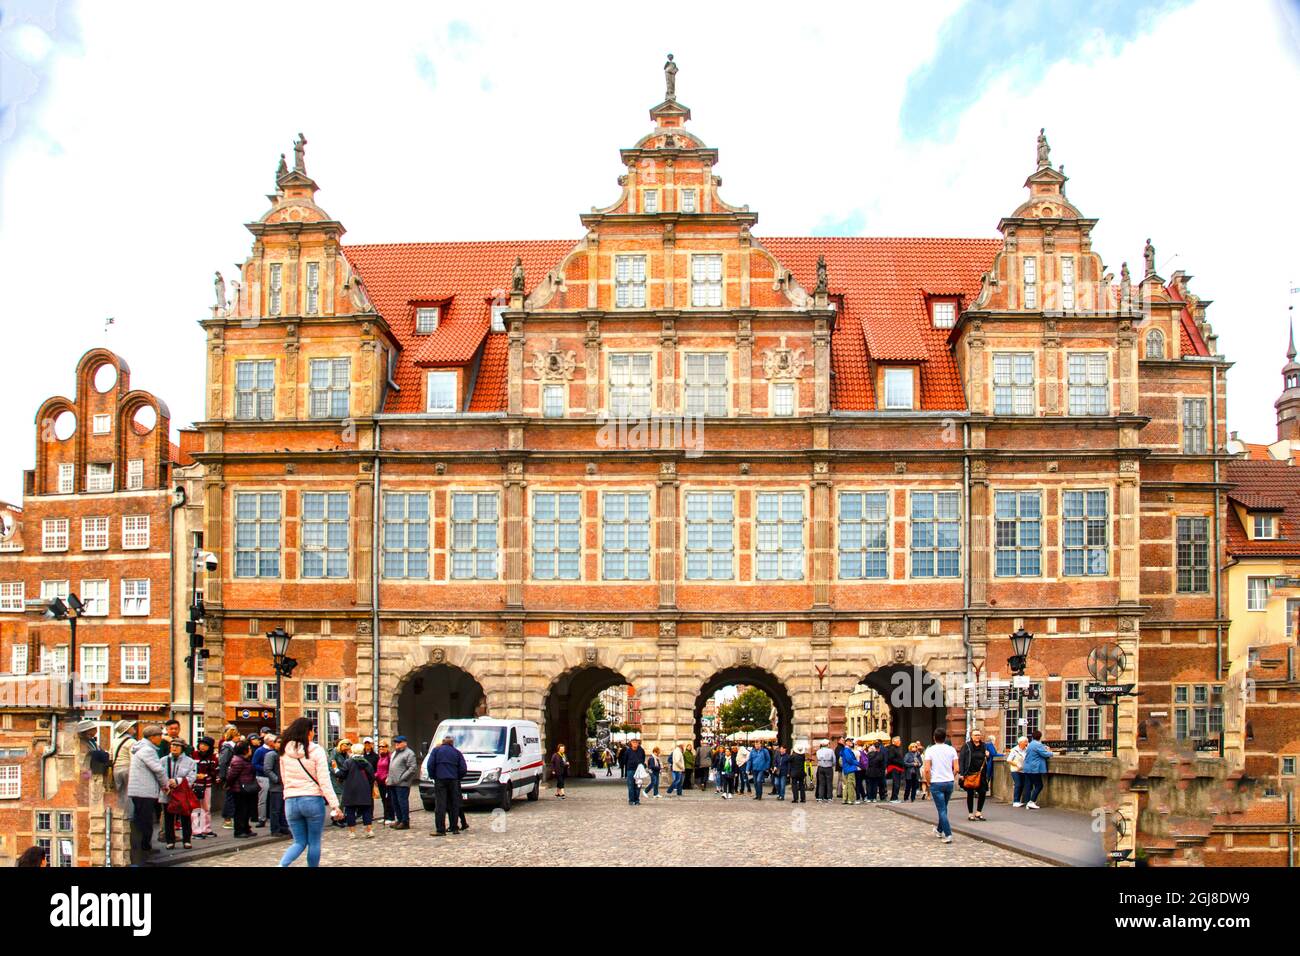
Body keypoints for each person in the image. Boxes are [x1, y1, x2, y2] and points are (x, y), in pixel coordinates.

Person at [278, 716, 344, 867]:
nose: (314, 733)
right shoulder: (316, 750)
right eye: (313, 730)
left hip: (291, 800)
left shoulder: (284, 751)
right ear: (308, 732)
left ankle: (282, 865)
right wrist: (335, 805)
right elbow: (324, 781)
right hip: (312, 799)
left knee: (299, 842)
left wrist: (287, 796)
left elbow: (284, 779)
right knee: (314, 841)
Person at [127, 724, 169, 864]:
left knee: (142, 820)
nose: (161, 738)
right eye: (159, 736)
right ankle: (144, 849)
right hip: (144, 790)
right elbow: (159, 770)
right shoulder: (147, 750)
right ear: (152, 737)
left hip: (139, 790)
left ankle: (143, 848)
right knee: (145, 822)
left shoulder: (142, 748)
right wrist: (165, 785)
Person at [922, 728, 960, 844]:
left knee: (942, 810)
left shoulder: (930, 750)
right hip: (949, 782)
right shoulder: (951, 749)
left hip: (936, 782)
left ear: (934, 738)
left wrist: (928, 782)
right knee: (944, 808)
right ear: (945, 737)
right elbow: (957, 768)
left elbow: (927, 769)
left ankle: (948, 834)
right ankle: (939, 830)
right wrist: (951, 777)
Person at [427, 733, 468, 834]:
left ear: (443, 741)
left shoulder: (436, 751)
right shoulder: (457, 752)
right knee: (454, 804)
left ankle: (440, 829)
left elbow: (430, 765)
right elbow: (463, 769)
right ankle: (454, 827)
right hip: (453, 780)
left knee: (440, 805)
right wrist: (457, 777)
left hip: (440, 780)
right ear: (452, 742)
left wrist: (433, 776)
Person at [162, 737, 197, 849]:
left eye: (177, 746)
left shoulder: (190, 761)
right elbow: (159, 774)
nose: (174, 748)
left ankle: (186, 840)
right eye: (172, 745)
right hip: (167, 792)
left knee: (185, 816)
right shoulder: (163, 760)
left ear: (182, 748)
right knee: (168, 817)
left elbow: (192, 777)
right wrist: (166, 784)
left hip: (182, 792)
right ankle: (170, 840)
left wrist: (177, 781)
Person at [337, 741, 376, 838]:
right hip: (364, 789)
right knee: (366, 810)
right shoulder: (366, 763)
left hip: (351, 789)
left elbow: (342, 774)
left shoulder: (348, 762)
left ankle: (352, 832)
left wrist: (335, 769)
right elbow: (371, 776)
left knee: (350, 811)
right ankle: (369, 830)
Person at [226, 740, 258, 838]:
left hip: (247, 788)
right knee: (241, 810)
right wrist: (229, 785)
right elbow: (231, 776)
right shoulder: (238, 760)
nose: (250, 750)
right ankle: (239, 830)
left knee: (247, 810)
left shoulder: (245, 759)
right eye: (248, 748)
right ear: (244, 750)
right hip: (240, 789)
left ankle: (246, 828)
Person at [958, 729, 990, 821]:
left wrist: (987, 756)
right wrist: (962, 773)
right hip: (970, 773)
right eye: (976, 735)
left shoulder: (984, 746)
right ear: (972, 736)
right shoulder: (967, 746)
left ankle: (979, 812)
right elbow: (962, 760)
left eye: (979, 735)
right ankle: (970, 813)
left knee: (983, 792)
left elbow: (987, 758)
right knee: (970, 793)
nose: (977, 737)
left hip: (981, 773)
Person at [386, 736, 417, 828]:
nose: (397, 744)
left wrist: (402, 777)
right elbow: (391, 767)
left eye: (399, 743)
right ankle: (399, 819)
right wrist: (389, 777)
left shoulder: (409, 753)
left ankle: (405, 821)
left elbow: (412, 768)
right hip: (393, 782)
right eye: (396, 743)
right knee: (395, 802)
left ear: (404, 743)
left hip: (402, 783)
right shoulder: (395, 752)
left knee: (402, 802)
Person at [190, 736, 218, 838]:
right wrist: (195, 775)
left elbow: (215, 771)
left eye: (205, 745)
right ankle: (196, 831)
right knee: (195, 808)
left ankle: (206, 829)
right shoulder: (193, 755)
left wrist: (207, 775)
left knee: (206, 808)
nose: (202, 747)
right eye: (201, 744)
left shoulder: (213, 757)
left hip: (207, 784)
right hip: (195, 784)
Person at [1022, 731, 1055, 809]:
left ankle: (1028, 802)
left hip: (1027, 767)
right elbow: (1045, 754)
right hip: (1034, 768)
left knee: (1028, 785)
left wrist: (1044, 747)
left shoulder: (1030, 744)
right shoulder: (1038, 745)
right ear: (1040, 737)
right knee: (1039, 785)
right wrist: (1052, 753)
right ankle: (1032, 801)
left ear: (1032, 737)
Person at [262, 734, 287, 836]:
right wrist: (276, 779)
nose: (280, 744)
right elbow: (267, 769)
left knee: (283, 810)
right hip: (276, 787)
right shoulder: (271, 755)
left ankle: (283, 827)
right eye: (278, 742)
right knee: (276, 809)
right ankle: (275, 829)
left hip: (285, 786)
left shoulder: (285, 755)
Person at [217, 726, 239, 829]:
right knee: (229, 797)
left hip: (234, 775)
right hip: (229, 776)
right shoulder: (227, 747)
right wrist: (223, 777)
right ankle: (227, 819)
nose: (238, 737)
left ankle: (232, 818)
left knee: (233, 798)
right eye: (237, 735)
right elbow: (223, 762)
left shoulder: (233, 747)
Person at [252, 732, 273, 829]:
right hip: (263, 777)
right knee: (262, 799)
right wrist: (265, 769)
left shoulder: (274, 750)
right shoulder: (260, 751)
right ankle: (262, 818)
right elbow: (254, 764)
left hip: (272, 777)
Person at [1007, 736, 1029, 807]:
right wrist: (1017, 764)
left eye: (1026, 741)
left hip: (1024, 770)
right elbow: (1009, 760)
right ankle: (1015, 801)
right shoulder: (1014, 750)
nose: (1026, 743)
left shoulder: (1027, 749)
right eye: (1025, 742)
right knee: (1018, 784)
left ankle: (1019, 801)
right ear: (1020, 743)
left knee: (1022, 785)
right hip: (1015, 770)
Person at [623, 738, 647, 805]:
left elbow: (643, 759)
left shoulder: (641, 750)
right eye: (633, 742)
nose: (635, 744)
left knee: (638, 786)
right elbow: (625, 760)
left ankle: (637, 800)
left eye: (636, 742)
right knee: (631, 786)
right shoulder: (628, 751)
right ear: (631, 743)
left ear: (638, 743)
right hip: (630, 770)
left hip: (639, 771)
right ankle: (631, 800)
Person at [374, 739, 392, 825]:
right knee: (383, 800)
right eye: (379, 746)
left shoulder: (389, 757)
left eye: (383, 746)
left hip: (386, 782)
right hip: (380, 781)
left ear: (387, 747)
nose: (381, 748)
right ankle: (385, 816)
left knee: (388, 800)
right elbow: (379, 769)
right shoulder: (380, 757)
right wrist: (375, 776)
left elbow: (391, 769)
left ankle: (390, 817)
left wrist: (388, 777)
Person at [885, 737, 906, 803]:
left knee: (897, 783)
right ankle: (894, 798)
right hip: (895, 767)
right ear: (894, 741)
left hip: (897, 767)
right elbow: (891, 758)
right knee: (896, 783)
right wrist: (900, 762)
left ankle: (894, 797)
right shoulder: (892, 748)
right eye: (899, 741)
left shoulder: (895, 748)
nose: (900, 742)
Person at [840, 737, 860, 805]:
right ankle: (851, 800)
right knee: (851, 784)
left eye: (852, 741)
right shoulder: (847, 750)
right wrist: (858, 763)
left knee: (846, 785)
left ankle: (845, 799)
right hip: (850, 768)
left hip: (846, 769)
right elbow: (849, 759)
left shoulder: (844, 750)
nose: (852, 742)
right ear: (846, 742)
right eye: (850, 741)